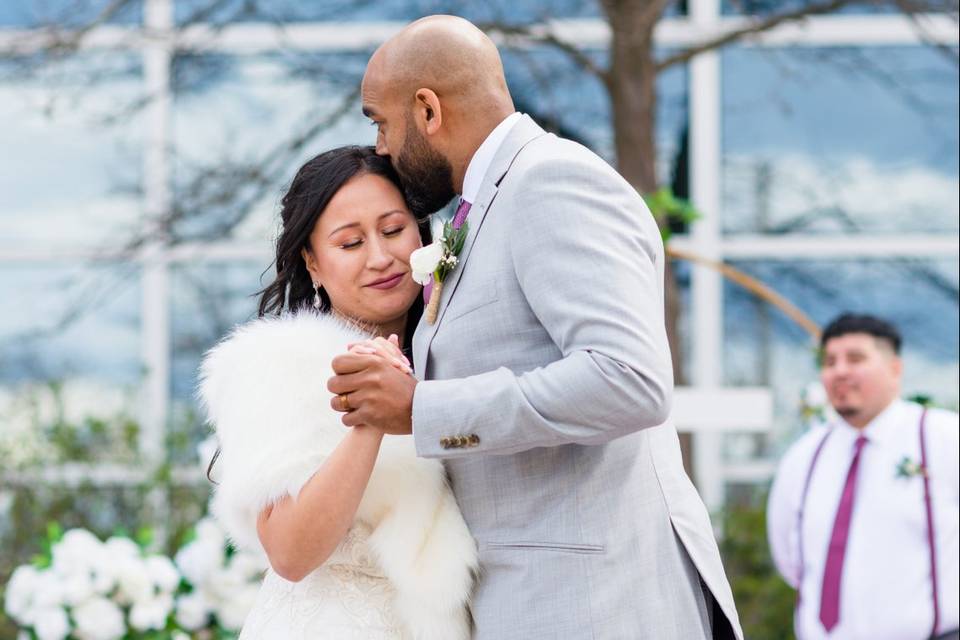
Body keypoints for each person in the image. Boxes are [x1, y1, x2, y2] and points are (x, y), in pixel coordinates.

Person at [327, 15, 743, 639]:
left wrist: (424, 409)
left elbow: (629, 380)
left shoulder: (550, 181)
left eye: (381, 122)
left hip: (596, 606)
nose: (382, 146)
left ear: (428, 110)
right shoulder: (487, 201)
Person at [199, 146, 477, 639]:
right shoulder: (278, 364)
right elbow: (289, 553)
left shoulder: (461, 353)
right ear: (312, 262)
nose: (380, 256)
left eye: (393, 230)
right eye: (350, 244)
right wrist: (369, 417)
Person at [767, 313, 959, 640]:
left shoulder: (944, 437)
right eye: (829, 361)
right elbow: (789, 558)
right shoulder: (803, 458)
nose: (839, 371)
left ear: (894, 369)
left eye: (855, 359)